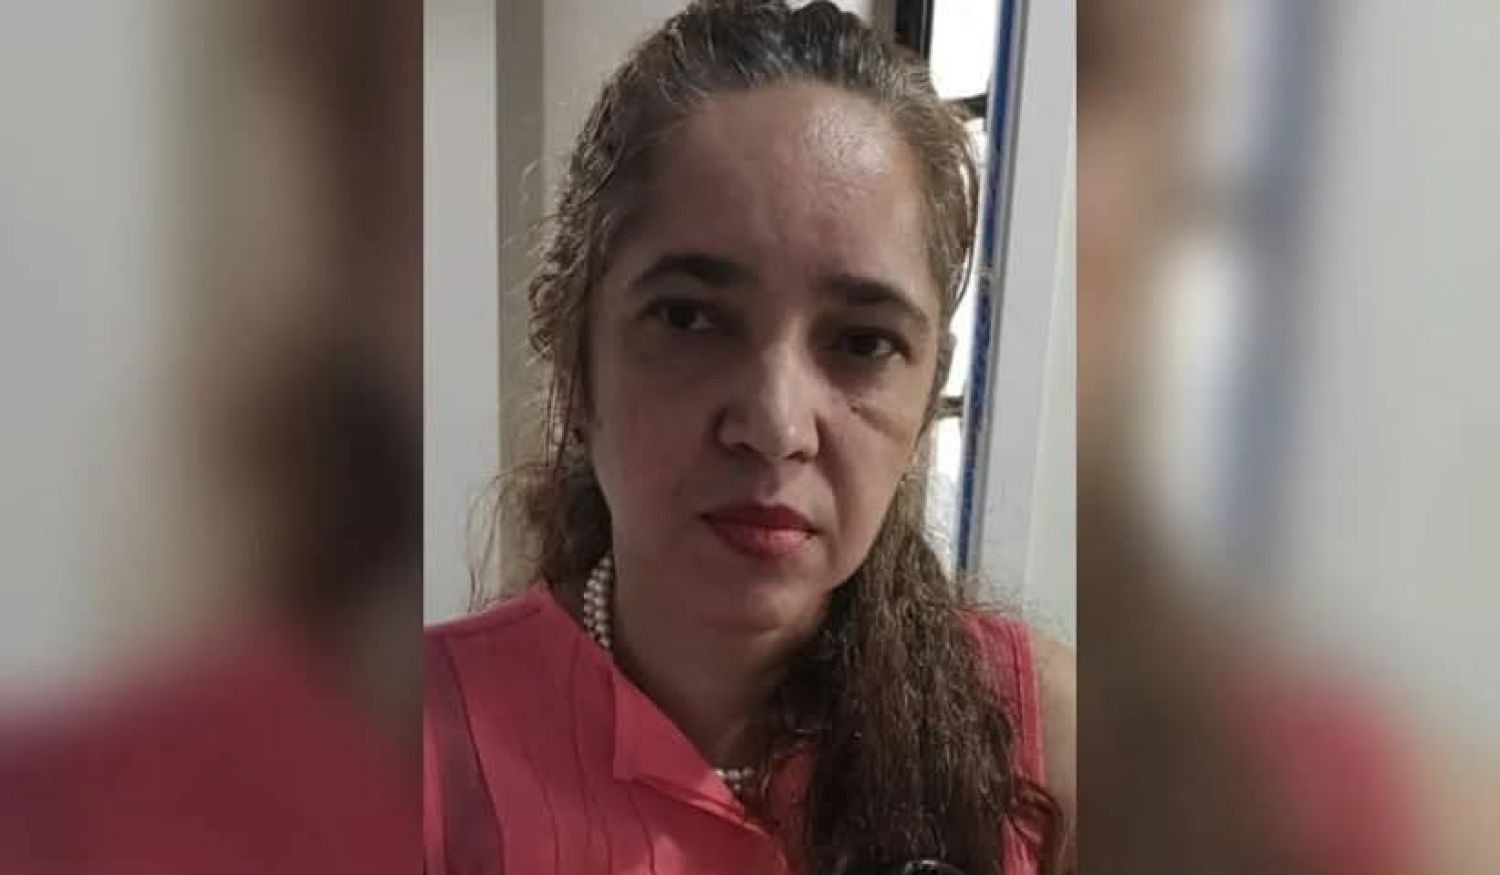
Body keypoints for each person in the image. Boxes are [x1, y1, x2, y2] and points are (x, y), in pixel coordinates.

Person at [423, 2, 1075, 873]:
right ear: (576, 360)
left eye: (862, 343)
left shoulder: (1046, 744)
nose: (774, 426)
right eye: (690, 319)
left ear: (925, 402)